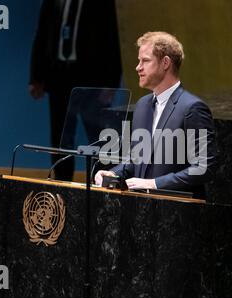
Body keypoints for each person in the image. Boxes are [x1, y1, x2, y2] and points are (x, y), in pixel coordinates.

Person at [95, 31, 217, 199]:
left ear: (165, 63)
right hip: (142, 210)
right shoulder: (142, 106)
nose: (138, 67)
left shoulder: (193, 108)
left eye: (145, 60)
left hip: (178, 212)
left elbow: (204, 167)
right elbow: (136, 160)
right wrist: (112, 175)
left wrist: (154, 183)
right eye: (139, 61)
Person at [29, 0, 122, 181]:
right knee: (61, 137)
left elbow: (112, 38)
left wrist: (111, 84)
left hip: (91, 81)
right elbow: (41, 34)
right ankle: (62, 183)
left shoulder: (102, 3)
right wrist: (35, 77)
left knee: (99, 136)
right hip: (59, 78)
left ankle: (103, 183)